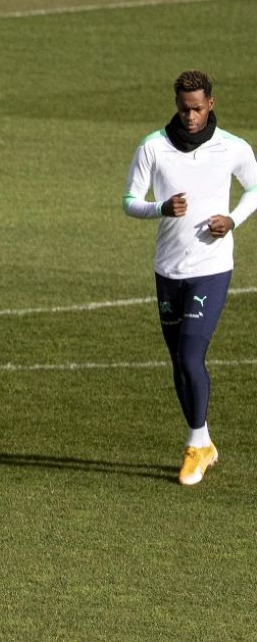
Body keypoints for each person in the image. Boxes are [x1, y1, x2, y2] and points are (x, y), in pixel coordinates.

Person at [122, 70, 257, 485]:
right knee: (178, 363)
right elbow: (130, 201)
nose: (191, 116)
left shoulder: (232, 148)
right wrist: (160, 208)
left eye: (198, 108)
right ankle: (205, 441)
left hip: (211, 269)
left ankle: (196, 444)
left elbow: (254, 190)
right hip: (168, 269)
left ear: (210, 104)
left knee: (189, 355)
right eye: (184, 109)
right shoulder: (153, 148)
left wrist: (232, 220)